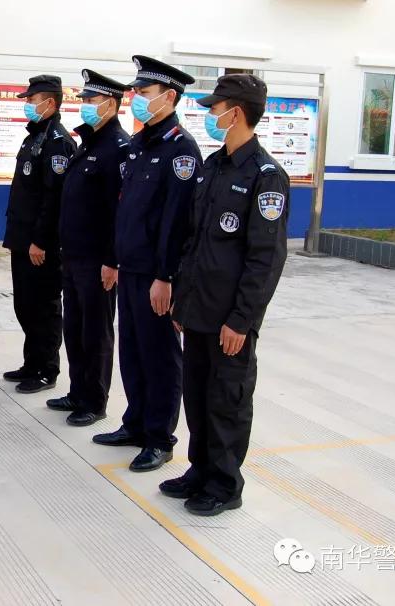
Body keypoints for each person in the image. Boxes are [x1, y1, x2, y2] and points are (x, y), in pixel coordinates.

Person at [166, 74, 289, 516]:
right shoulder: (215, 166)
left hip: (229, 319)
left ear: (235, 113)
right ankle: (200, 470)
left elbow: (265, 260)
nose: (210, 115)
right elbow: (194, 241)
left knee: (227, 401)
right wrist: (182, 300)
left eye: (215, 109)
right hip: (198, 309)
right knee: (198, 396)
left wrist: (241, 320)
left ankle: (224, 485)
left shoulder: (266, 177)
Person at [93, 56, 201, 473]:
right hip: (131, 267)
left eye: (144, 92)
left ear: (168, 97)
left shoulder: (181, 149)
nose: (136, 98)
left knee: (160, 357)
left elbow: (177, 221)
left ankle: (159, 437)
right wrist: (114, 259)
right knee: (133, 352)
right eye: (135, 91)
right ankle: (135, 423)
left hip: (157, 275)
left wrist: (166, 276)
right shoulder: (139, 144)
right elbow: (125, 210)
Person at [46, 70, 131, 427]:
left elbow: (120, 210)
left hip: (98, 261)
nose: (86, 107)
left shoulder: (119, 148)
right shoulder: (89, 143)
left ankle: (95, 401)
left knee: (96, 333)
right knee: (75, 329)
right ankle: (77, 391)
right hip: (73, 255)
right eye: (84, 101)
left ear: (110, 104)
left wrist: (112, 260)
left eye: (92, 101)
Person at [1, 75, 77, 394]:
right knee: (25, 305)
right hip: (22, 239)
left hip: (40, 244)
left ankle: (47, 369)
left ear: (49, 102)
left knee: (44, 307)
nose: (28, 105)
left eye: (32, 100)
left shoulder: (57, 142)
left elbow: (53, 198)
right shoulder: (34, 137)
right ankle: (31, 362)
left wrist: (41, 241)